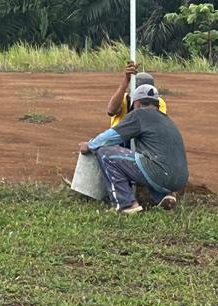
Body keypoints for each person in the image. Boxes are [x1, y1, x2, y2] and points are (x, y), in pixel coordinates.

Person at [79, 67, 188, 214]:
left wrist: (90, 145)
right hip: (180, 180)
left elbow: (111, 137)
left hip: (158, 172)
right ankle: (164, 196)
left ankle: (126, 204)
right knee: (149, 159)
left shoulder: (139, 114)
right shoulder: (166, 119)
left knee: (106, 153)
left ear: (136, 104)